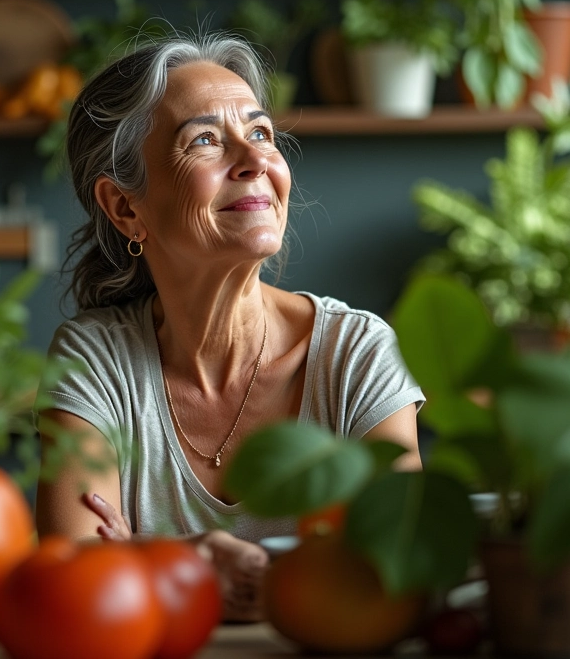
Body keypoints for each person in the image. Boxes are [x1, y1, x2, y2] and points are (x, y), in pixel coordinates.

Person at [35, 33, 424, 621]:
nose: (255, 161)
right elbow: (73, 583)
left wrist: (150, 561)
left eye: (261, 133)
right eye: (206, 141)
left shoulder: (357, 353)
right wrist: (203, 557)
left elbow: (400, 566)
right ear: (124, 207)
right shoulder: (96, 360)